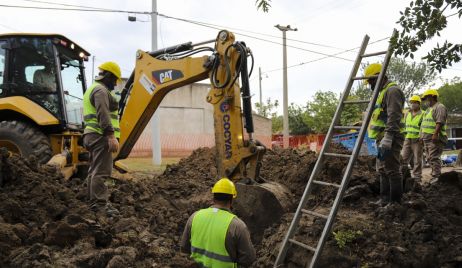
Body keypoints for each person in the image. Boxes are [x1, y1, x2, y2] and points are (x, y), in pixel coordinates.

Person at [180, 178, 256, 267]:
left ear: (213, 197)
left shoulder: (194, 217)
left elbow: (184, 249)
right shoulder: (237, 226)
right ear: (231, 199)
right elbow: (248, 259)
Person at [83, 61, 121, 216]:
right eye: (114, 80)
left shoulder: (94, 89)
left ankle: (93, 203)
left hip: (91, 135)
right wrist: (111, 136)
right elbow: (103, 114)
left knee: (94, 171)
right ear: (109, 76)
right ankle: (100, 206)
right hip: (100, 136)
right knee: (102, 172)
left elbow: (110, 106)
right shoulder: (100, 91)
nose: (115, 84)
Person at [365, 63, 405, 206]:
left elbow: (394, 115)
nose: (370, 85)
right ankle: (384, 200)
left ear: (379, 77)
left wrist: (388, 137)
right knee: (382, 169)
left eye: (371, 81)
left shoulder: (392, 90)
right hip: (381, 137)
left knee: (392, 170)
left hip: (391, 136)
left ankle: (395, 204)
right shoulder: (382, 92)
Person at [420, 89, 448, 184]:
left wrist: (435, 134)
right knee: (429, 158)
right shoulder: (428, 110)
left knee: (434, 157)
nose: (426, 101)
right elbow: (424, 124)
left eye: (427, 98)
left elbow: (439, 122)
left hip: (435, 138)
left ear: (433, 97)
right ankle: (434, 175)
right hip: (427, 138)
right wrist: (421, 136)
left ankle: (437, 176)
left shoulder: (440, 107)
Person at [400, 95, 424, 190]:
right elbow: (404, 126)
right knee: (403, 158)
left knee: (417, 160)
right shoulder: (407, 114)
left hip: (417, 140)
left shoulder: (423, 114)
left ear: (419, 104)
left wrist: (421, 137)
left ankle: (417, 179)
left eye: (415, 102)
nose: (413, 104)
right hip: (407, 138)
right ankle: (404, 177)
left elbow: (423, 127)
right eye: (411, 102)